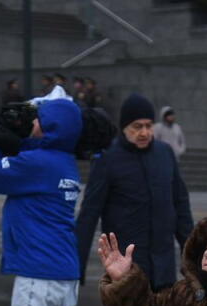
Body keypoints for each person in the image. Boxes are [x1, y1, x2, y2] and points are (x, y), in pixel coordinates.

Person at [0, 95, 84, 306]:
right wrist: (18, 142)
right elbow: (36, 152)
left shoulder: (37, 163)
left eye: (38, 120)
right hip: (64, 272)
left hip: (38, 273)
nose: (33, 123)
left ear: (49, 127)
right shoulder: (64, 161)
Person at [75, 93, 193, 291]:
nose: (144, 132)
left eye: (149, 126)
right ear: (124, 127)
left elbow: (180, 207)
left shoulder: (164, 154)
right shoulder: (107, 158)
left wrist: (193, 259)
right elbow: (89, 213)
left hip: (164, 269)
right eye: (137, 127)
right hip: (127, 270)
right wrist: (76, 269)